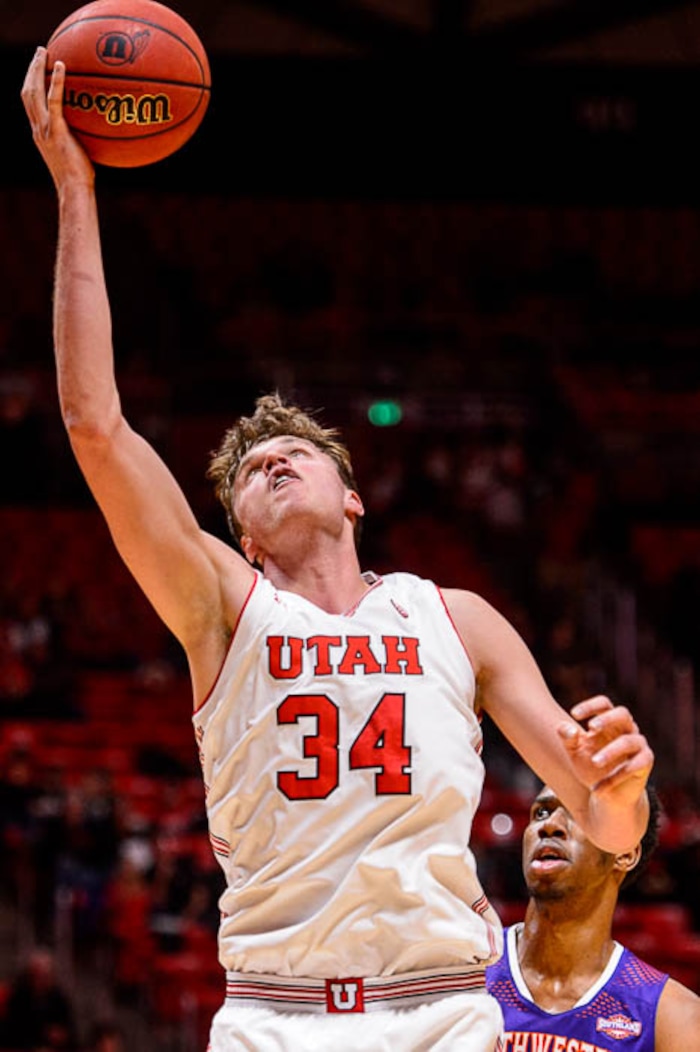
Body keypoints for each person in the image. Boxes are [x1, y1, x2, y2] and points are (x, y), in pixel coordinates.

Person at [21, 48, 655, 1052]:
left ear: (352, 496)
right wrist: (73, 187)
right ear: (237, 533)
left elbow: (609, 826)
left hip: (444, 1006)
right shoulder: (222, 606)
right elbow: (96, 423)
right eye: (252, 469)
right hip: (278, 1014)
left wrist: (619, 789)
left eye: (296, 454)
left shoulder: (455, 616)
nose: (273, 462)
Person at [486, 785, 700, 1050]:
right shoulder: (466, 971)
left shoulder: (673, 1018)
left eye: (580, 815)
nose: (550, 825)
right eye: (541, 812)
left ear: (625, 854)